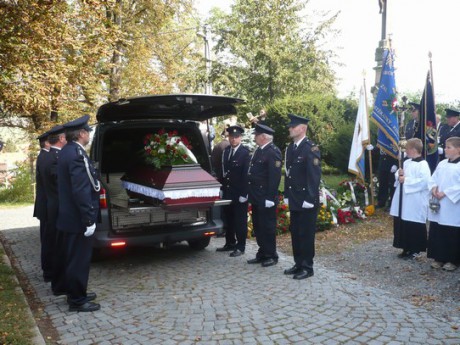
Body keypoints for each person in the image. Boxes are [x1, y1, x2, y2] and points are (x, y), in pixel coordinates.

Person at [56, 115, 101, 312]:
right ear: (82, 133)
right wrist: (89, 218)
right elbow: (80, 189)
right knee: (78, 260)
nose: (89, 135)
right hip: (77, 219)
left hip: (70, 216)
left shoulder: (69, 151)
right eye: (88, 132)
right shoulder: (75, 154)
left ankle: (76, 291)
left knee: (73, 257)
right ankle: (77, 300)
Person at [283, 114, 321, 280]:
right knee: (296, 233)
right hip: (294, 197)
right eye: (290, 126)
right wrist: (286, 194)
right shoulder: (291, 148)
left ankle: (307, 266)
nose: (290, 128)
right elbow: (288, 174)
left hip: (306, 199)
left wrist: (310, 197)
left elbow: (314, 176)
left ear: (303, 128)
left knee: (306, 234)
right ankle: (298, 263)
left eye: (294, 126)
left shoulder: (310, 148)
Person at [246, 123, 282, 267]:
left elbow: (275, 177)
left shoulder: (273, 152)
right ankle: (262, 252)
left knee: (267, 227)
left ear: (263, 137)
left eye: (256, 135)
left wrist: (270, 197)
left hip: (265, 196)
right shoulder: (260, 150)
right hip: (256, 195)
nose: (254, 137)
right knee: (258, 226)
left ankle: (271, 255)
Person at [389, 138, 430, 260]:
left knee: (413, 223)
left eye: (406, 149)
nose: (405, 151)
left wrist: (406, 180)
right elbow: (399, 174)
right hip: (403, 198)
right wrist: (399, 175)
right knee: (403, 222)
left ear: (413, 150)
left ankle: (415, 249)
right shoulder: (406, 162)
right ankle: (405, 246)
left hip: (415, 199)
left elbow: (425, 182)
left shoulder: (423, 164)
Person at [41, 125, 68, 296]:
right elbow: (60, 185)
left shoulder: (46, 156)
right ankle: (57, 281)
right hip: (57, 207)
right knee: (57, 246)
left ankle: (51, 274)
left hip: (51, 205)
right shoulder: (54, 158)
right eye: (65, 137)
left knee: (51, 242)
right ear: (61, 139)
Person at [216, 125, 250, 257]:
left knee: (240, 221)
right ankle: (230, 243)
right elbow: (223, 172)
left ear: (240, 137)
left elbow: (246, 175)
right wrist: (221, 188)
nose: (233, 139)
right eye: (231, 137)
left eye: (236, 137)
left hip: (239, 192)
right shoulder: (226, 151)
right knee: (228, 219)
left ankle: (240, 246)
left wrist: (244, 193)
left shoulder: (245, 153)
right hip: (228, 191)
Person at [427, 136, 460, 271]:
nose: (445, 149)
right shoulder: (442, 163)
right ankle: (439, 257)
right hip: (439, 204)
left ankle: (453, 260)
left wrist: (446, 192)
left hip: (453, 205)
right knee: (438, 229)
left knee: (451, 231)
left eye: (448, 147)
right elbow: (433, 178)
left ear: (458, 149)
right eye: (445, 147)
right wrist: (434, 188)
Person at [33, 130, 50, 282]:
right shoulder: (45, 157)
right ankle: (48, 271)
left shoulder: (43, 157)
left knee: (47, 239)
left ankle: (49, 270)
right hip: (46, 206)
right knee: (47, 240)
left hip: (44, 205)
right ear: (46, 143)